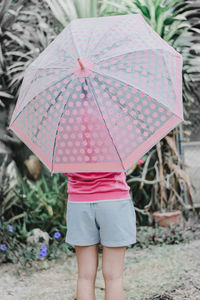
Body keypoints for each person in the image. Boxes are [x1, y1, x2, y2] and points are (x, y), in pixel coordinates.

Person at [64, 171, 136, 300]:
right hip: (114, 200)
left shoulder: (68, 149)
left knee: (84, 276)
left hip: (79, 203)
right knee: (114, 277)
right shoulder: (115, 149)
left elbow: (66, 170)